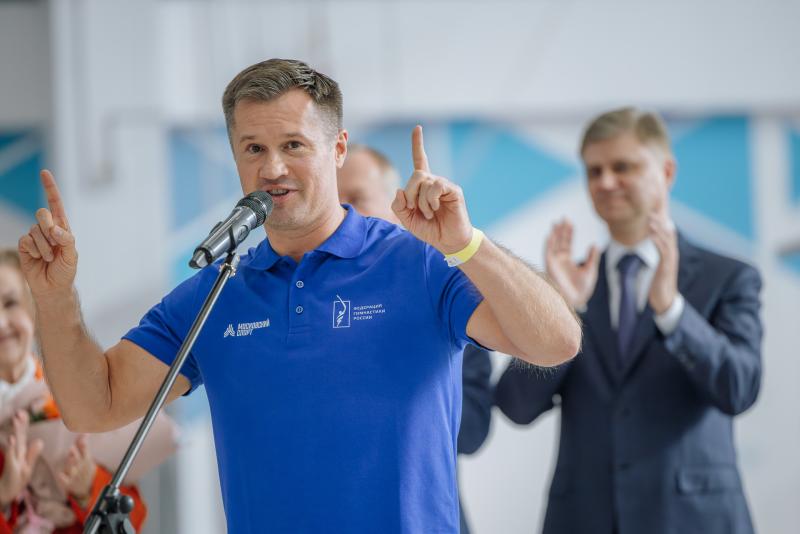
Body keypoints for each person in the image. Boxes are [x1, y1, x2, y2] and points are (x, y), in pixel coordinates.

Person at [18, 58, 581, 533]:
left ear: (338, 148)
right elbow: (94, 406)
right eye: (253, 148)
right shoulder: (215, 293)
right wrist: (55, 296)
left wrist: (466, 244)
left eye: (293, 144)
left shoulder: (421, 265)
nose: (273, 167)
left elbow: (557, 342)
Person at [495, 107, 762, 534]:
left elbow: (739, 389)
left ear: (667, 172)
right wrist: (563, 311)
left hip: (693, 521)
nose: (605, 182)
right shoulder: (572, 283)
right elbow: (515, 405)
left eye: (623, 167)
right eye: (594, 171)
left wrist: (672, 311)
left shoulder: (728, 278)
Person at [338, 144, 493, 534]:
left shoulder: (445, 295)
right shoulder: (304, 307)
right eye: (334, 203)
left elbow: (472, 431)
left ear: (397, 207)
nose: (343, 216)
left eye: (356, 199)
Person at [0, 249, 147, 533]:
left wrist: (88, 485)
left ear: (32, 308)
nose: (1, 322)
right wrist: (3, 495)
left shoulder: (71, 391)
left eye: (10, 303)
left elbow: (133, 520)